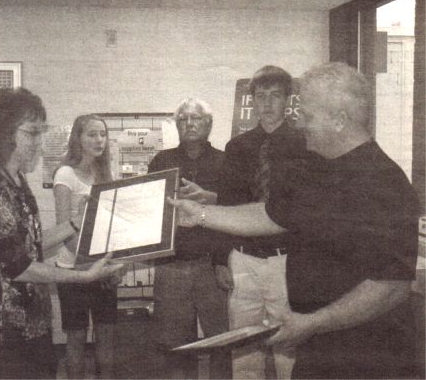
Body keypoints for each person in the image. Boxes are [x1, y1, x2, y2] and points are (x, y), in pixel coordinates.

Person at [169, 62, 419, 379]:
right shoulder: (322, 168)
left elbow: (390, 287)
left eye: (308, 115)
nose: (299, 122)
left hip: (369, 356)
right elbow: (272, 214)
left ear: (340, 120)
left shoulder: (384, 183)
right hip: (321, 346)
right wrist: (201, 214)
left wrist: (314, 321)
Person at [0, 88, 124, 379]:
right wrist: (84, 276)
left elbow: (32, 246)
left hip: (35, 325)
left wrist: (75, 222)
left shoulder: (17, 181)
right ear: (5, 134)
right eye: (32, 134)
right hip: (8, 335)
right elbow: (20, 267)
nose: (40, 145)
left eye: (41, 133)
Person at [214, 65, 305, 379]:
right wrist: (220, 259)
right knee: (244, 342)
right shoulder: (237, 147)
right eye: (261, 96)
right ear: (252, 101)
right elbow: (225, 205)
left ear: (287, 100)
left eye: (275, 95)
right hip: (243, 259)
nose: (267, 103)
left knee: (288, 343)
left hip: (286, 260)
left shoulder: (305, 145)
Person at [148, 98, 232, 379]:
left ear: (208, 124)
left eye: (196, 118)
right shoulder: (162, 161)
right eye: (183, 119)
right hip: (171, 267)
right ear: (177, 125)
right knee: (175, 346)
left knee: (222, 341)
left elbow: (235, 215)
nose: (190, 123)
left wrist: (223, 261)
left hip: (212, 266)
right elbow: (149, 209)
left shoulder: (225, 161)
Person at [53, 114, 126, 379]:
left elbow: (114, 227)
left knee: (106, 336)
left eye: (103, 134)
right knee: (76, 339)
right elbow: (64, 232)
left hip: (101, 269)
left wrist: (117, 262)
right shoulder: (65, 174)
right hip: (73, 270)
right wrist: (93, 263)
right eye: (92, 134)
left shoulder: (107, 173)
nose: (99, 140)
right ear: (78, 139)